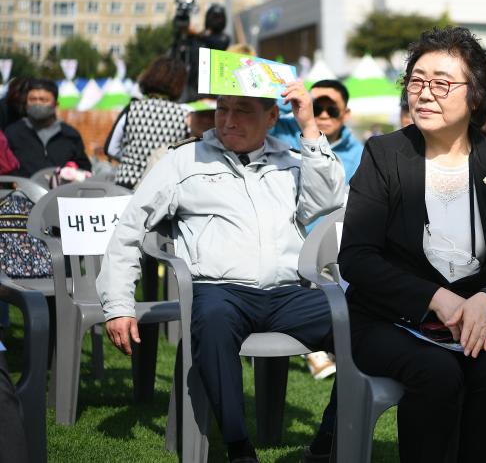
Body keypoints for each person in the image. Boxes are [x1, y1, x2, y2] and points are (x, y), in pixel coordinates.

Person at [97, 85, 346, 463]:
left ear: (272, 117)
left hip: (287, 293)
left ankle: (326, 442)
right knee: (213, 321)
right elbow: (130, 228)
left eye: (243, 111)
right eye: (222, 109)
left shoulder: (292, 159)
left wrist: (309, 126)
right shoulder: (183, 160)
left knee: (363, 325)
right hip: (220, 291)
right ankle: (239, 448)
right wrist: (118, 304)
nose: (229, 120)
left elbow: (328, 201)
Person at [338, 26, 486, 463]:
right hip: (387, 320)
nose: (424, 93)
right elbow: (356, 258)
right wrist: (433, 298)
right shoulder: (384, 155)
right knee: (437, 372)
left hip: (472, 321)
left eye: (442, 83)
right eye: (417, 80)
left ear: (476, 95)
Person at [105, 56, 190, 189]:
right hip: (160, 187)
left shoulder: (132, 108)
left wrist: (131, 159)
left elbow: (110, 148)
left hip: (126, 185)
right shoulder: (184, 115)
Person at [272, 79, 364, 182]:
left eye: (332, 111)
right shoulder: (284, 129)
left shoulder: (359, 155)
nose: (324, 116)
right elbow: (262, 116)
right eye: (316, 109)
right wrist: (291, 100)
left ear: (346, 114)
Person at [5, 79, 91, 177]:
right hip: (24, 190)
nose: (37, 104)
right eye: (33, 99)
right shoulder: (13, 133)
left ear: (55, 104)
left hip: (61, 191)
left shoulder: (70, 135)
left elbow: (84, 170)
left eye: (43, 100)